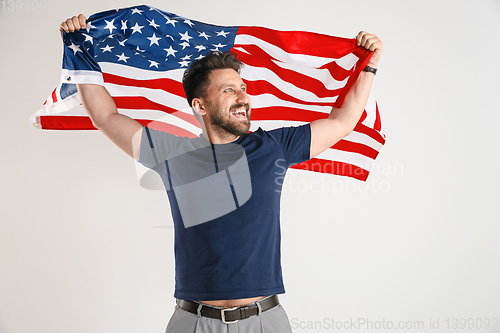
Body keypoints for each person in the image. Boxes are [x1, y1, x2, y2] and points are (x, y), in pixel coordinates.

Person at [60, 13, 383, 333]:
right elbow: (105, 115)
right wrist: (77, 48)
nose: (243, 97)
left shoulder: (273, 147)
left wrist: (369, 64)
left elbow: (342, 122)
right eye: (229, 90)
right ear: (200, 105)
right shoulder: (173, 154)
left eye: (243, 88)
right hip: (193, 321)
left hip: (264, 320)